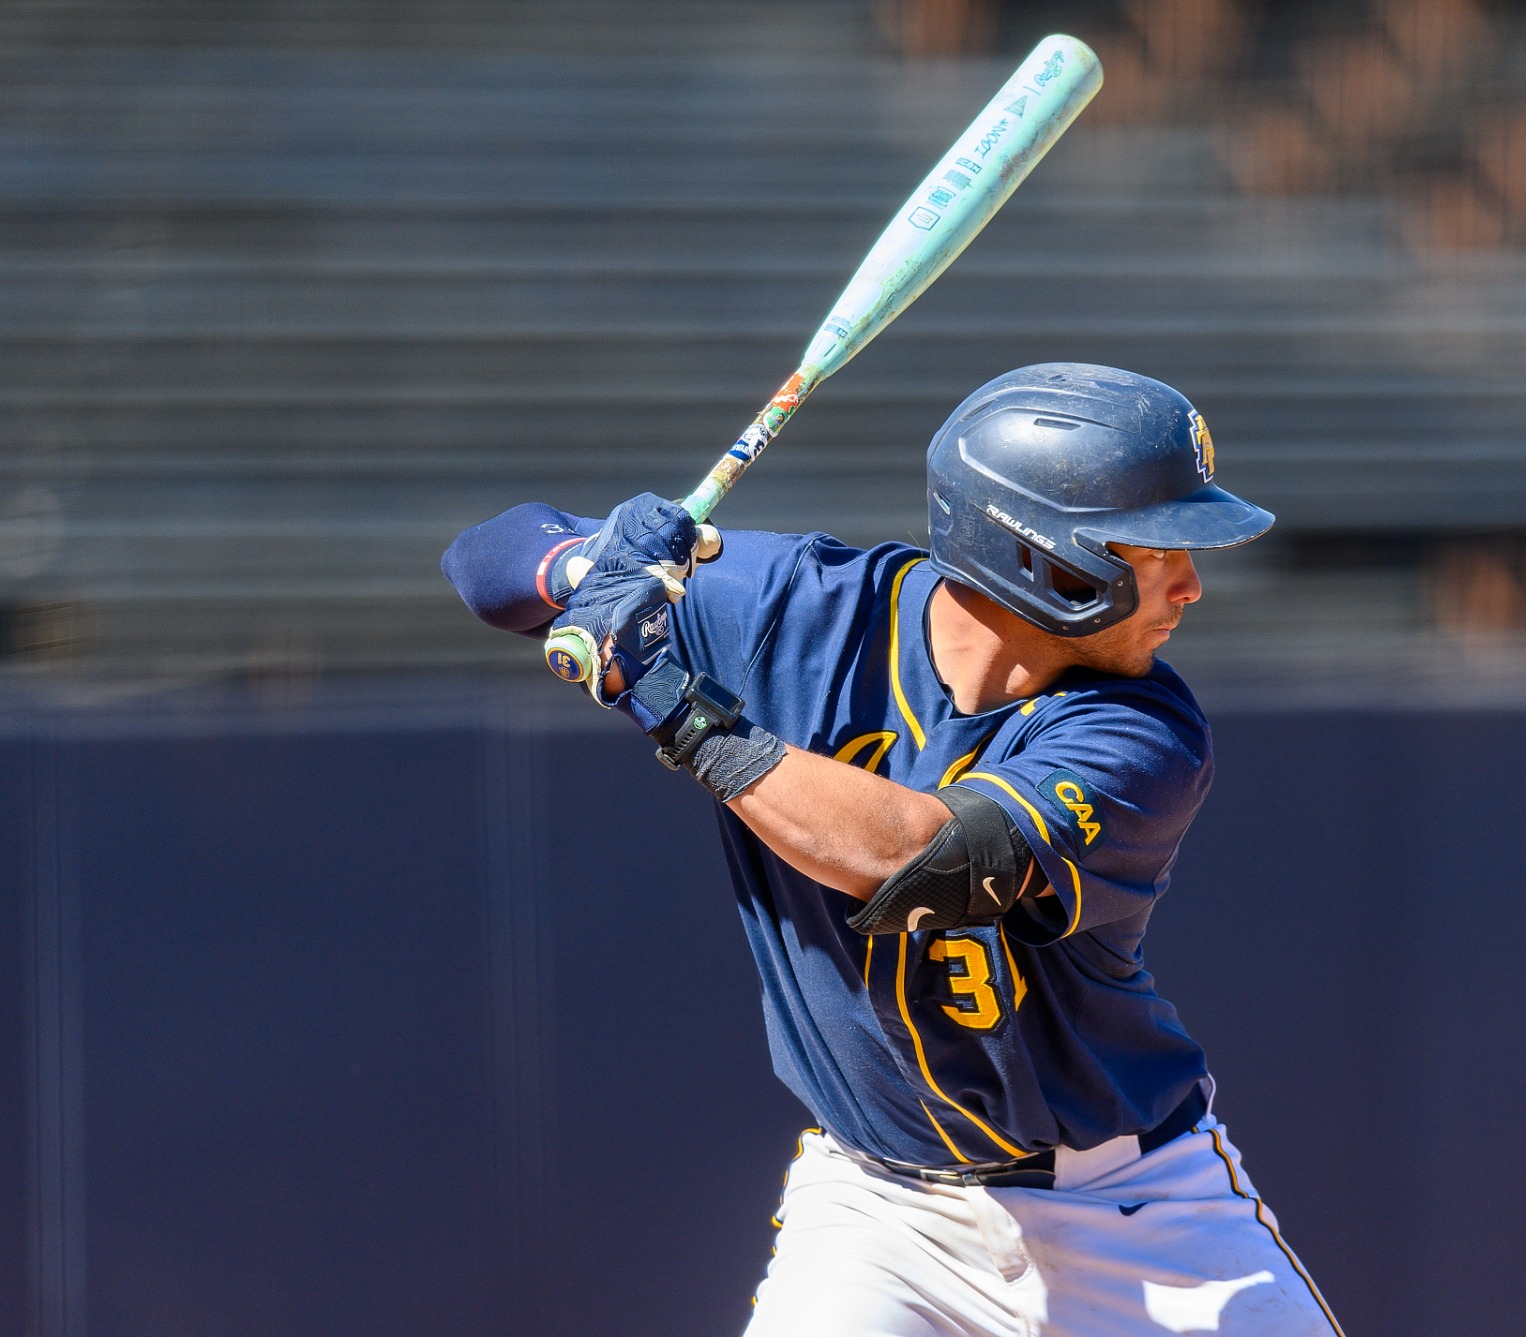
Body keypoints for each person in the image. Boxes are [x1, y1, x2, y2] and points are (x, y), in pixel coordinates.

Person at [442, 363, 1343, 1336]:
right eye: (1156, 548)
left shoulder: (1144, 728)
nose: (1190, 583)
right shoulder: (791, 605)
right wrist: (585, 569)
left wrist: (675, 707)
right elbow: (485, 558)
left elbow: (925, 861)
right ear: (1042, 554)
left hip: (1135, 1208)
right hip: (881, 1207)